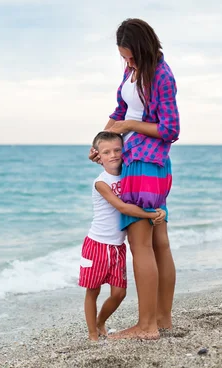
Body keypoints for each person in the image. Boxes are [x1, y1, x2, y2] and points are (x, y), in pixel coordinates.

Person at [89, 18, 180, 340]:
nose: (127, 62)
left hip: (147, 161)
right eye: (123, 57)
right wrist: (100, 140)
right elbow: (121, 109)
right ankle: (162, 321)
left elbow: (171, 129)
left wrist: (129, 127)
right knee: (157, 242)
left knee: (142, 243)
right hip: (137, 158)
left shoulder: (160, 74)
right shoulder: (133, 71)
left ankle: (147, 326)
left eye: (130, 56)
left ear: (143, 48)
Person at [80, 131, 166, 341]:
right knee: (93, 291)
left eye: (118, 150)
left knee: (119, 293)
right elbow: (123, 207)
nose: (113, 155)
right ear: (98, 156)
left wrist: (159, 208)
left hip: (117, 246)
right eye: (107, 152)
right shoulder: (101, 182)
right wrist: (151, 214)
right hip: (97, 244)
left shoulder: (129, 176)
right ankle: (92, 334)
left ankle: (101, 322)